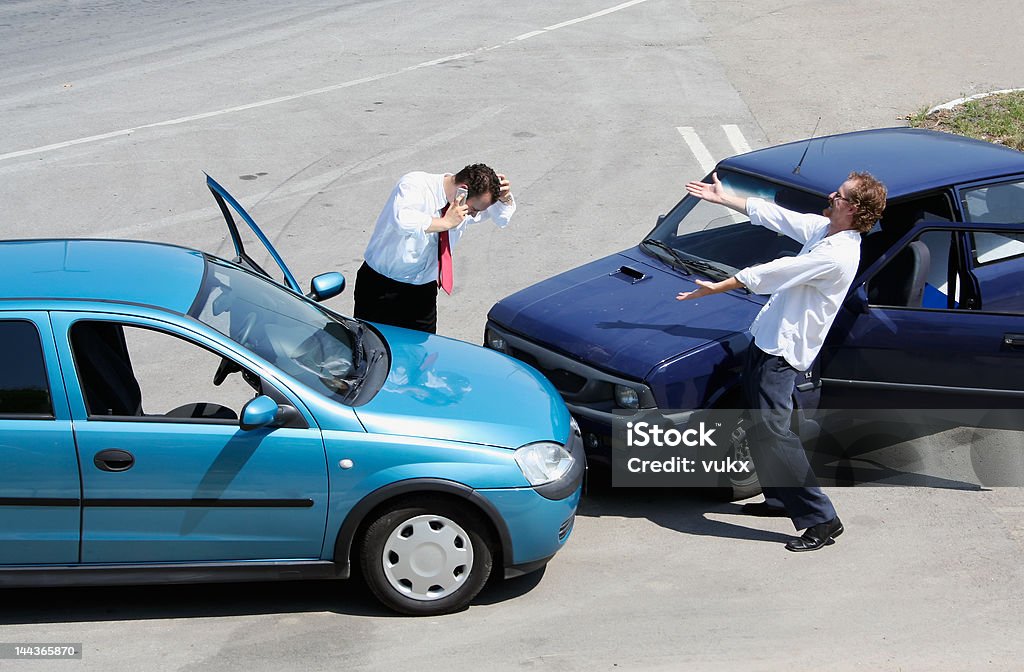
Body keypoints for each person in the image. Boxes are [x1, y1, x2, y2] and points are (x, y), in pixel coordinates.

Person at [677, 171, 887, 552]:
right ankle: (778, 498)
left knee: (773, 433)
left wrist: (719, 286)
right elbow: (776, 215)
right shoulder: (826, 230)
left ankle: (822, 519)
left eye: (838, 194)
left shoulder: (837, 254)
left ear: (852, 208)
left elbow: (776, 271)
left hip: (782, 354)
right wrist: (724, 199)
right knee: (763, 426)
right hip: (768, 340)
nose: (830, 194)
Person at [354, 164, 515, 334]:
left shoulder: (462, 206)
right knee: (371, 351)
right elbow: (402, 220)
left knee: (423, 354)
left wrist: (505, 199)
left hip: (423, 293)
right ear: (463, 190)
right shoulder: (415, 184)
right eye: (474, 209)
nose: (473, 215)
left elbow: (502, 219)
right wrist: (445, 223)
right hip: (381, 288)